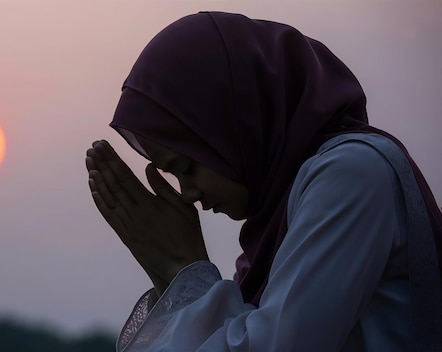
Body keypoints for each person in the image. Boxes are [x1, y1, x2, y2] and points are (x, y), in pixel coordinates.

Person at [85, 12, 442, 351]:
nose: (189, 194)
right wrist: (169, 277)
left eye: (187, 167)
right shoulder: (274, 225)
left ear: (235, 125)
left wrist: (184, 270)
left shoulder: (352, 172)